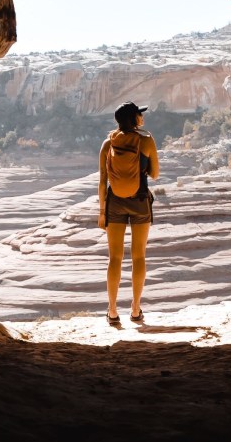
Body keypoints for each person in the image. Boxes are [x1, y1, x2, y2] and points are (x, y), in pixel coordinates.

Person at [98, 101, 160, 325]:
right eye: (139, 114)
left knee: (114, 258)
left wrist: (102, 212)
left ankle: (112, 311)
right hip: (140, 200)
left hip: (114, 202)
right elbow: (154, 174)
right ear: (135, 119)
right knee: (139, 256)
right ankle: (135, 309)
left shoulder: (108, 143)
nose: (142, 117)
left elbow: (102, 181)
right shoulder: (146, 140)